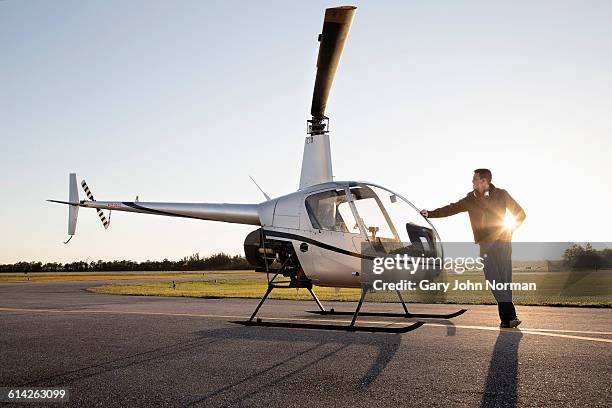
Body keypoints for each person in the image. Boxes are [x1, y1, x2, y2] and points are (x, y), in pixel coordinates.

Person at [420, 169, 526, 328]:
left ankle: (507, 319)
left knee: (504, 282)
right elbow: (451, 208)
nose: (472, 182)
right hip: (485, 245)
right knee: (494, 280)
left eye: (475, 179)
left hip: (504, 244)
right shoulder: (470, 199)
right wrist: (430, 213)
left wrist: (509, 232)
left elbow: (520, 214)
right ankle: (510, 316)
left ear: (485, 182)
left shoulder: (502, 194)